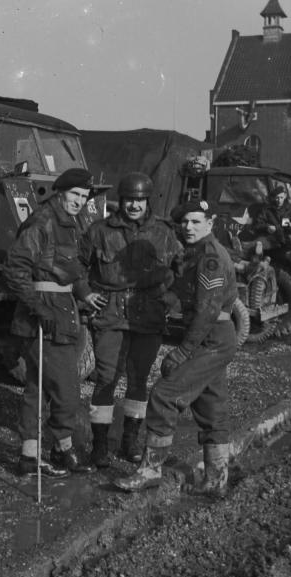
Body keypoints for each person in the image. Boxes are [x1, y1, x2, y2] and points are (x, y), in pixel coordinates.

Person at [114, 200, 238, 499]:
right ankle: (216, 478)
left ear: (210, 223)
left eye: (196, 222)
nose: (189, 227)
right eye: (185, 222)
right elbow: (185, 292)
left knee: (165, 394)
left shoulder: (210, 258)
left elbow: (207, 311)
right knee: (211, 406)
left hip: (211, 336)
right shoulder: (194, 253)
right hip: (214, 336)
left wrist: (182, 352)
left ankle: (150, 470)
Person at [4, 167, 109, 477]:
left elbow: (69, 270)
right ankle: (63, 449)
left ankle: (29, 456)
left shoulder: (69, 224)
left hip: (62, 312)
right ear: (60, 192)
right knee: (67, 390)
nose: (80, 200)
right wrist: (38, 308)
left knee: (37, 389)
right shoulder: (43, 222)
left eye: (84, 195)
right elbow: (15, 269)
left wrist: (84, 293)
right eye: (75, 194)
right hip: (44, 317)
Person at [79, 171, 182, 468]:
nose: (134, 205)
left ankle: (130, 442)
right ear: (121, 200)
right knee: (106, 379)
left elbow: (184, 267)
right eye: (129, 200)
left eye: (140, 200)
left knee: (139, 381)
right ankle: (99, 446)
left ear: (147, 200)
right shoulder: (99, 231)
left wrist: (173, 297)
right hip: (110, 314)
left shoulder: (164, 232)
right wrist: (84, 292)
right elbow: (76, 264)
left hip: (148, 314)